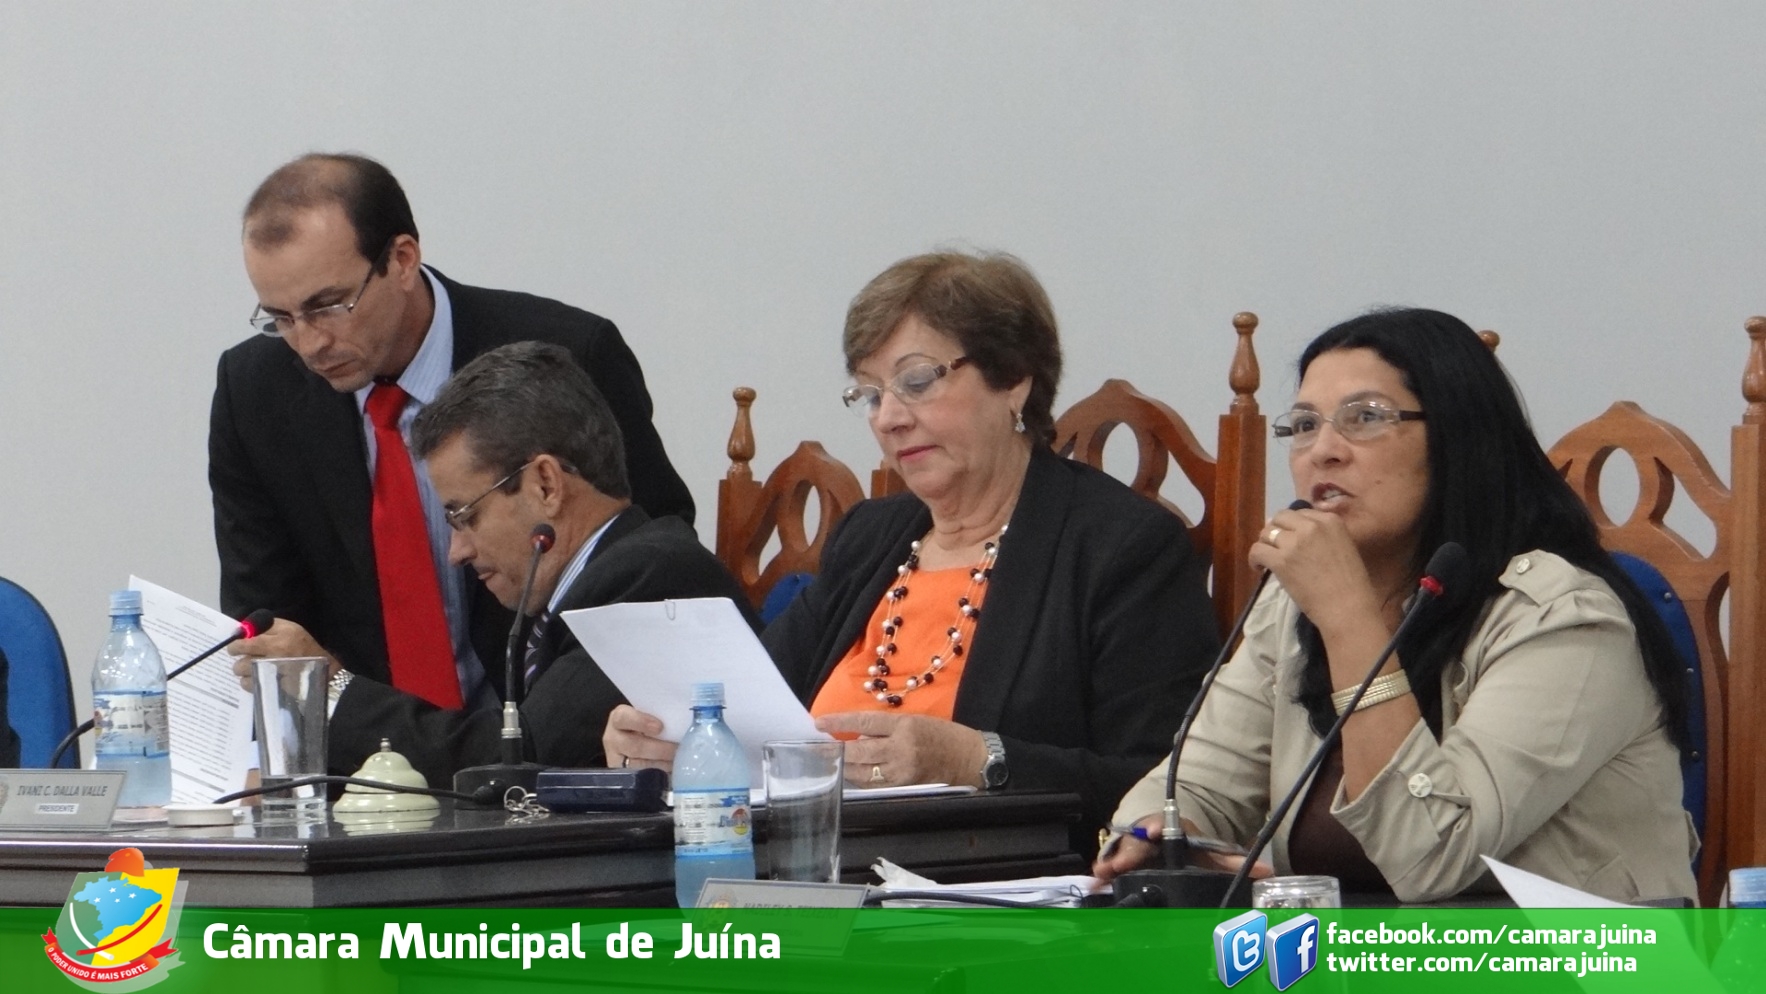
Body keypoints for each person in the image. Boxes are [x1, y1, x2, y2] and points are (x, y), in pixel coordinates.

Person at [605, 250, 1220, 840]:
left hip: (988, 884)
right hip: (811, 867)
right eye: (871, 395)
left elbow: (1168, 787)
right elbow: (753, 709)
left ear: (1013, 381)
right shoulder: (870, 538)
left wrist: (977, 760)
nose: (887, 418)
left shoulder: (1121, 547)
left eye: (917, 381)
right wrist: (677, 741)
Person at [1097, 308, 1698, 904]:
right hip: (1356, 952)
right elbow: (1194, 785)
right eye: (1304, 424)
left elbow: (1431, 856)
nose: (1322, 451)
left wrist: (1347, 617)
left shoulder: (1566, 620)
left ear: (1457, 441)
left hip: (1572, 955)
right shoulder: (1292, 604)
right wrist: (1164, 838)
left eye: (1365, 417)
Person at [210, 153, 693, 719]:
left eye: (329, 306)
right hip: (360, 747)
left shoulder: (568, 353)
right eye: (281, 318)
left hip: (548, 731)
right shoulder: (255, 391)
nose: (309, 344)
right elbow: (265, 618)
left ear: (402, 260)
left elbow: (648, 561)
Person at [230, 342, 758, 788]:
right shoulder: (572, 587)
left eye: (465, 517)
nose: (456, 552)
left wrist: (330, 689)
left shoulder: (653, 577)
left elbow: (518, 761)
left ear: (545, 485)